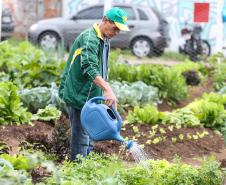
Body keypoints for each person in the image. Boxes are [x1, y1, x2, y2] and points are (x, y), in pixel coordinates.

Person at [59, 7, 130, 161]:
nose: (116, 33)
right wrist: (108, 89)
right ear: (105, 20)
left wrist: (106, 97)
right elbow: (89, 67)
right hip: (78, 94)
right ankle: (76, 173)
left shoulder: (105, 39)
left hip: (91, 96)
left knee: (90, 137)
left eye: (119, 30)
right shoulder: (90, 38)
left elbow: (102, 70)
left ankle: (86, 170)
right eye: (115, 28)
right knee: (81, 139)